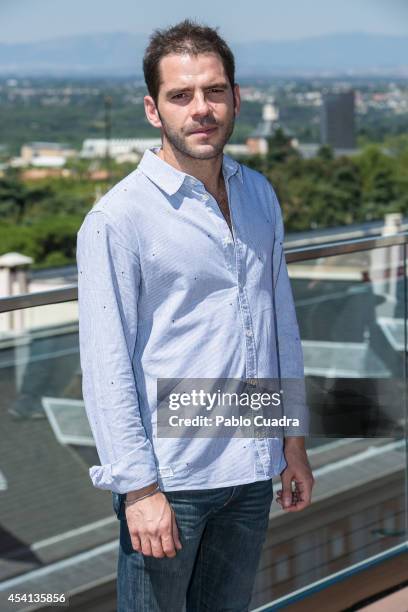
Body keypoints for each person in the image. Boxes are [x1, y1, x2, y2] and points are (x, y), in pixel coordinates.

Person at [76, 19, 314, 612]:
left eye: (213, 92)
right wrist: (139, 491)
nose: (201, 109)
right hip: (171, 480)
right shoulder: (118, 219)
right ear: (154, 111)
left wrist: (293, 443)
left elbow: (277, 323)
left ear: (236, 98)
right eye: (181, 96)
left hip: (254, 466)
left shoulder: (258, 193)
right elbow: (106, 367)